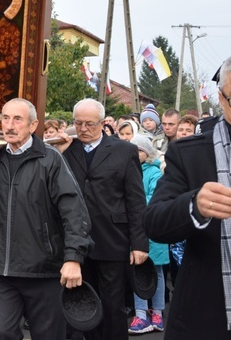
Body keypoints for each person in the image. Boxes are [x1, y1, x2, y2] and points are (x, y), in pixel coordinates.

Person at [0, 98, 92, 340]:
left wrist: (74, 257)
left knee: (49, 335)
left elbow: (74, 210)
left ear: (33, 126)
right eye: (5, 118)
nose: (9, 125)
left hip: (43, 269)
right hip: (2, 270)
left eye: (17, 119)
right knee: (4, 333)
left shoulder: (50, 159)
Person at [144, 56, 231, 339]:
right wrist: (194, 206)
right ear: (221, 98)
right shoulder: (190, 153)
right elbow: (154, 222)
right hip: (209, 311)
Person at [55, 98, 149, 340]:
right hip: (74, 243)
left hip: (112, 239)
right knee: (78, 305)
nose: (83, 129)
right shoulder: (65, 149)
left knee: (112, 305)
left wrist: (139, 243)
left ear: (103, 123)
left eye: (90, 124)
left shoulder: (124, 151)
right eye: (78, 123)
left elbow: (136, 200)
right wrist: (59, 154)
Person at [128, 135, 169, 334]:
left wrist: (134, 203)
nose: (135, 154)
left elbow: (155, 198)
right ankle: (141, 314)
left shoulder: (154, 172)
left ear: (147, 152)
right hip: (135, 230)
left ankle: (158, 313)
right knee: (138, 273)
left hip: (154, 229)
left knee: (157, 273)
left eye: (139, 150)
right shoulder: (127, 170)